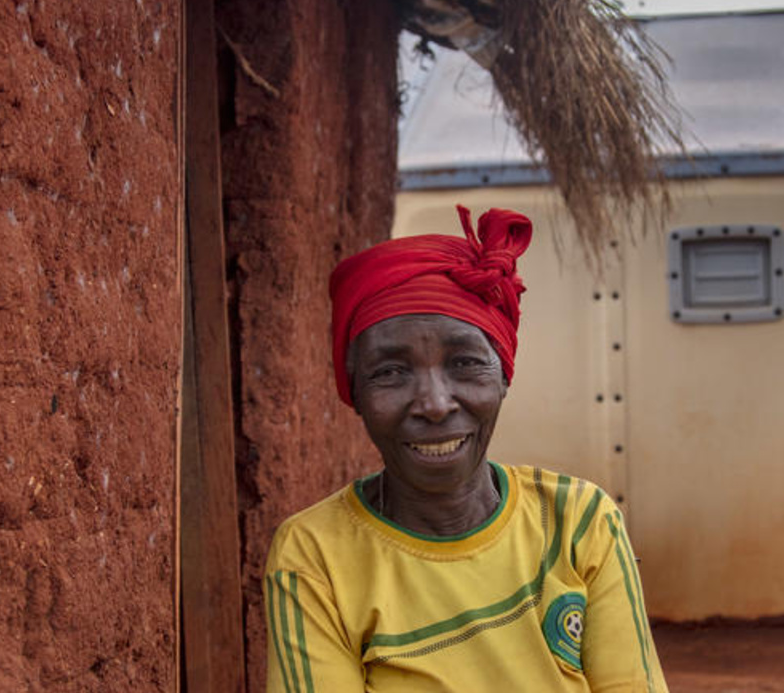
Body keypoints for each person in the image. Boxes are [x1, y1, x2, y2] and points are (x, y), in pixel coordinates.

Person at [263, 206, 669, 691]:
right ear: (354, 392)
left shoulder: (579, 523)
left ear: (503, 376)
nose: (434, 404)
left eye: (464, 363)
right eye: (390, 371)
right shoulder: (315, 556)